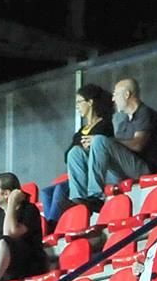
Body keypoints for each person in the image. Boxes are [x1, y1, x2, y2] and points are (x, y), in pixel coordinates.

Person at [66, 78, 157, 210]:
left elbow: (138, 145)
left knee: (99, 140)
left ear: (127, 94)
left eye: (116, 94)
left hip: (143, 168)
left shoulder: (144, 113)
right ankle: (78, 200)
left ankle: (96, 196)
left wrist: (107, 141)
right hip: (121, 171)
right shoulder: (123, 122)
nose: (113, 99)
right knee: (75, 152)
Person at [40, 84, 114, 226]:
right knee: (46, 192)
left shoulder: (105, 125)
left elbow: (100, 150)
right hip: (80, 174)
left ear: (90, 102)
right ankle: (51, 225)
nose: (77, 106)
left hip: (95, 175)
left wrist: (83, 147)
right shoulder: (82, 130)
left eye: (79, 102)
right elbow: (67, 155)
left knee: (60, 190)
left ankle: (54, 225)